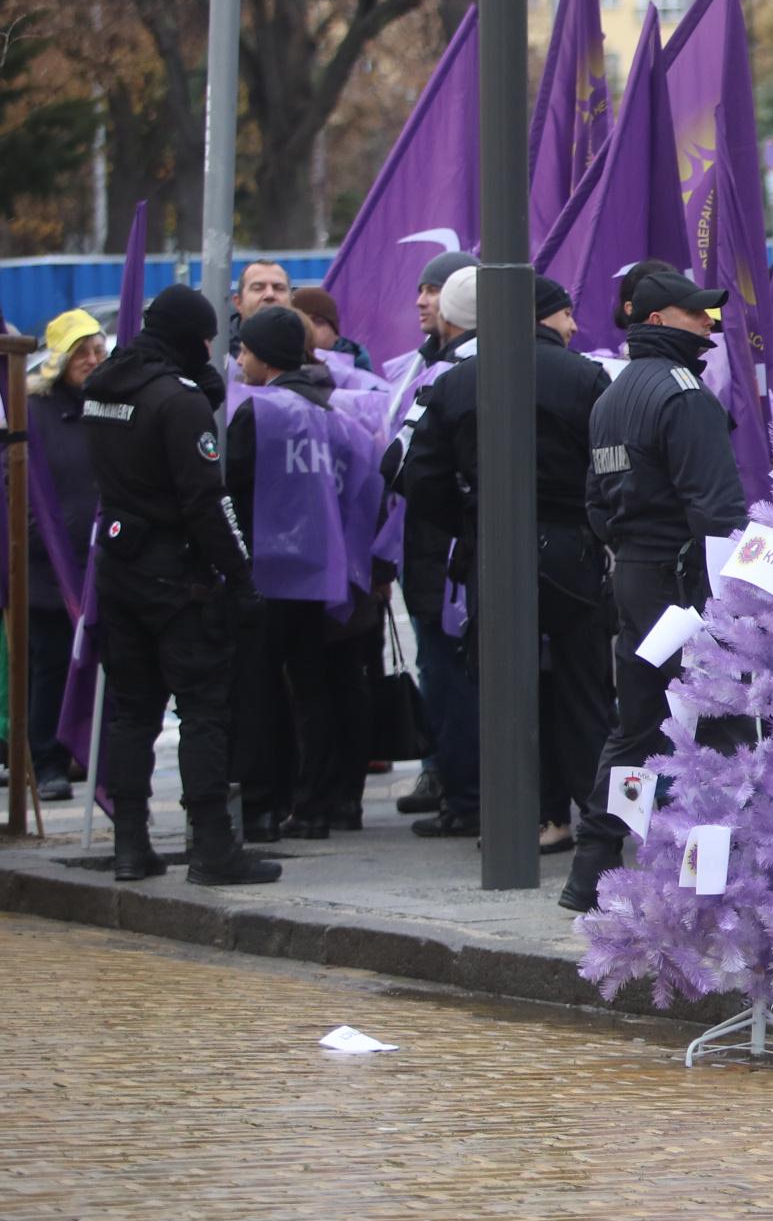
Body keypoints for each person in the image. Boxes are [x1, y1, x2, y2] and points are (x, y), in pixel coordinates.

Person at [401, 275, 612, 858]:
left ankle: (529, 815)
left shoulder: (455, 381)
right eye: (568, 315)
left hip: (491, 550)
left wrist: (471, 521)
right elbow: (612, 470)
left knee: (505, 690)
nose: (574, 327)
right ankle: (597, 824)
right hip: (572, 552)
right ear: (545, 316)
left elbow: (417, 475)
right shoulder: (585, 378)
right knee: (583, 690)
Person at [79, 285, 273, 885]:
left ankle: (130, 847)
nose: (212, 349)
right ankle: (213, 847)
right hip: (177, 575)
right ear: (190, 337)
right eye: (207, 338)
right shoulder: (177, 402)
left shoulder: (102, 388)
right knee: (203, 710)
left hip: (118, 564)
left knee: (131, 712)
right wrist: (241, 577)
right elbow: (205, 502)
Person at [568, 269, 747, 912]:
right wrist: (729, 602)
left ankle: (590, 868)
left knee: (636, 725)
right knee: (723, 725)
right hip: (684, 579)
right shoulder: (685, 395)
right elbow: (718, 510)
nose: (709, 322)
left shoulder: (610, 398)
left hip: (636, 576)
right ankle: (725, 879)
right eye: (695, 312)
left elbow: (593, 502)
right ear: (657, 320)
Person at [226, 306, 378, 841]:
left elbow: (230, 491)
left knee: (267, 691)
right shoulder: (337, 417)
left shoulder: (259, 413)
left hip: (266, 575)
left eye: (244, 349)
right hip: (327, 575)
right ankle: (325, 802)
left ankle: (270, 805)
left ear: (263, 357)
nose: (239, 359)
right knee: (322, 690)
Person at [387, 264, 486, 835]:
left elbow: (400, 464)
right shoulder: (446, 366)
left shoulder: (443, 376)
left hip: (445, 554)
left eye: (433, 292)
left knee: (452, 676)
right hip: (488, 549)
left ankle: (468, 800)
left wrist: (453, 515)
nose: (423, 301)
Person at [25, 310, 103, 802]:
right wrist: (44, 536)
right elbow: (21, 481)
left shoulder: (111, 404)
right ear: (60, 359)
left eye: (98, 350)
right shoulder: (34, 411)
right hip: (50, 564)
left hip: (104, 563)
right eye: (82, 352)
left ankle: (91, 755)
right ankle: (47, 761)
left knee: (100, 667)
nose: (92, 360)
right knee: (52, 665)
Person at [291, 286, 374, 378]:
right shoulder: (276, 372)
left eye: (318, 321)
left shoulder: (363, 380)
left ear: (335, 334)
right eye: (300, 321)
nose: (309, 328)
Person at [226, 258, 293, 364]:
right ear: (238, 302)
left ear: (291, 301)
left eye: (279, 288)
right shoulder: (218, 352)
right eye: (258, 288)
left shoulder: (311, 354)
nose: (270, 294)